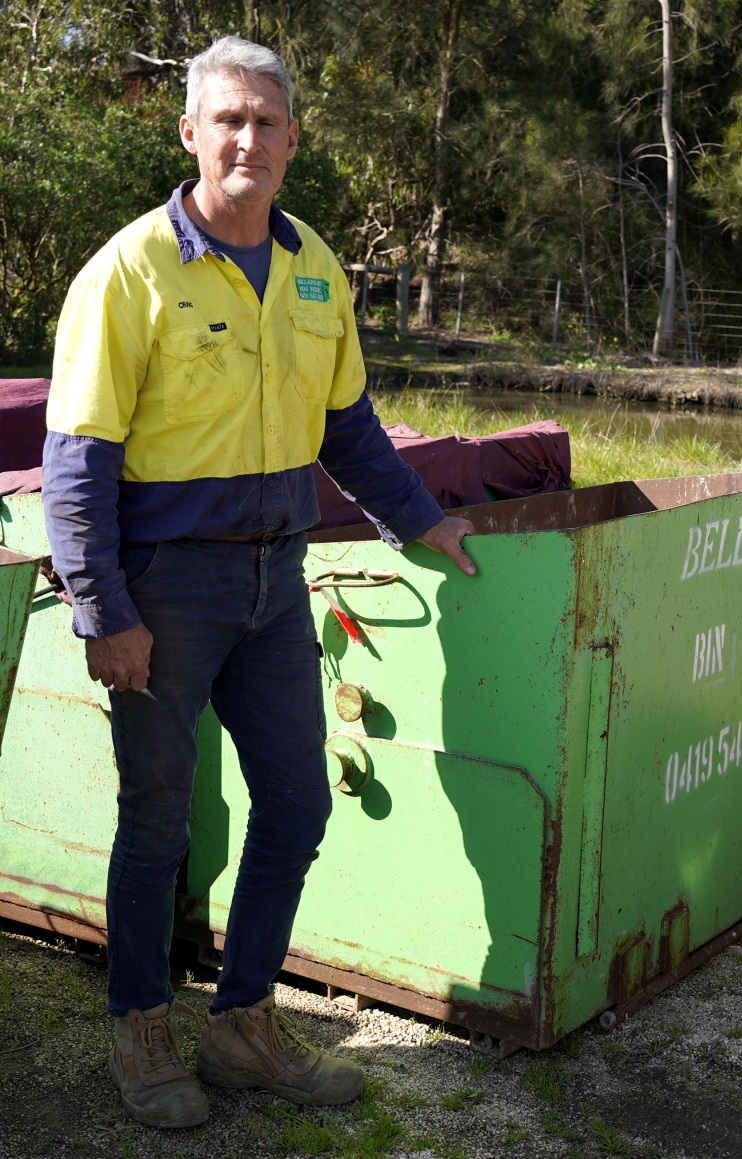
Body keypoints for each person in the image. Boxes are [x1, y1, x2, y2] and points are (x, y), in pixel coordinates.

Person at [42, 36, 476, 1129]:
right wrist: (106, 614)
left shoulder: (313, 263)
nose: (247, 139)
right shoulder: (131, 270)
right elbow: (76, 462)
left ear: (291, 141)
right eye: (226, 119)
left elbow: (351, 429)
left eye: (266, 123)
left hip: (277, 583)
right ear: (191, 133)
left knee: (295, 800)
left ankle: (242, 1025)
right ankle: (144, 1028)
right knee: (157, 823)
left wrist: (423, 520)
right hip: (165, 587)